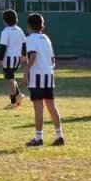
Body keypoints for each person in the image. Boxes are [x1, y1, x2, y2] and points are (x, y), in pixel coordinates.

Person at [23, 13, 63, 146]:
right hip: (49, 76)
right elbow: (53, 60)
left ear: (28, 26)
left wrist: (26, 71)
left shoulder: (30, 39)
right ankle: (59, 135)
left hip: (37, 77)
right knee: (52, 107)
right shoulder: (46, 38)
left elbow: (33, 56)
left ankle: (38, 138)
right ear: (42, 26)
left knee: (38, 108)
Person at [0, 8, 26, 110]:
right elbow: (24, 43)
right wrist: (23, 55)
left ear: (5, 20)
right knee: (11, 77)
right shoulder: (19, 30)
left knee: (9, 80)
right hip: (17, 59)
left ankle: (13, 102)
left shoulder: (6, 31)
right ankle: (18, 95)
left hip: (8, 59)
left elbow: (3, 47)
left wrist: (0, 59)